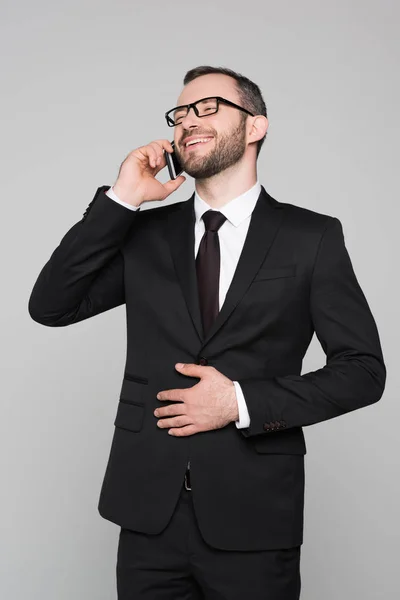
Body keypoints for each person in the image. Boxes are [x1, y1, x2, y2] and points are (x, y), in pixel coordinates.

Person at [28, 65, 386, 600]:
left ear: (256, 126)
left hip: (256, 518)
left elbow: (363, 372)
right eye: (180, 113)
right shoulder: (143, 233)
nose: (187, 122)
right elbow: (50, 305)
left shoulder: (311, 238)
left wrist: (239, 402)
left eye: (207, 107)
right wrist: (123, 198)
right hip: (149, 515)